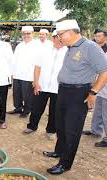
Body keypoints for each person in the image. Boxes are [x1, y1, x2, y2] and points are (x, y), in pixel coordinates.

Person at [43, 20, 107, 175]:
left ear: (70, 32)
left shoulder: (90, 47)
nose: (59, 38)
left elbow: (104, 71)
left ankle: (65, 163)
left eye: (60, 35)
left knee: (72, 129)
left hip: (79, 93)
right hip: (64, 90)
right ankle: (59, 151)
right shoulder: (70, 47)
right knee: (61, 125)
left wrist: (93, 92)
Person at [23, 30, 67, 139]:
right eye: (58, 37)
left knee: (55, 110)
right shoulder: (44, 50)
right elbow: (37, 67)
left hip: (58, 87)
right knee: (37, 108)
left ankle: (51, 130)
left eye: (62, 37)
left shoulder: (68, 51)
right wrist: (36, 82)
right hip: (42, 85)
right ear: (53, 38)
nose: (61, 39)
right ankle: (32, 126)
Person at [82, 29, 107, 147]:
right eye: (95, 36)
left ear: (105, 37)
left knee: (106, 112)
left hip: (104, 84)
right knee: (98, 110)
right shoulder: (93, 48)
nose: (97, 38)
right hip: (97, 86)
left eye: (99, 36)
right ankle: (95, 130)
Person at [8, 26, 38, 118]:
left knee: (27, 95)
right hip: (17, 74)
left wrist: (35, 78)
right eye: (24, 33)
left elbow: (39, 63)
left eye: (28, 33)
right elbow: (14, 60)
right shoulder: (19, 45)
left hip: (29, 75)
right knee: (17, 93)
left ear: (32, 34)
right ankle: (18, 108)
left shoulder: (37, 46)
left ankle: (26, 110)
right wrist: (12, 72)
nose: (26, 35)